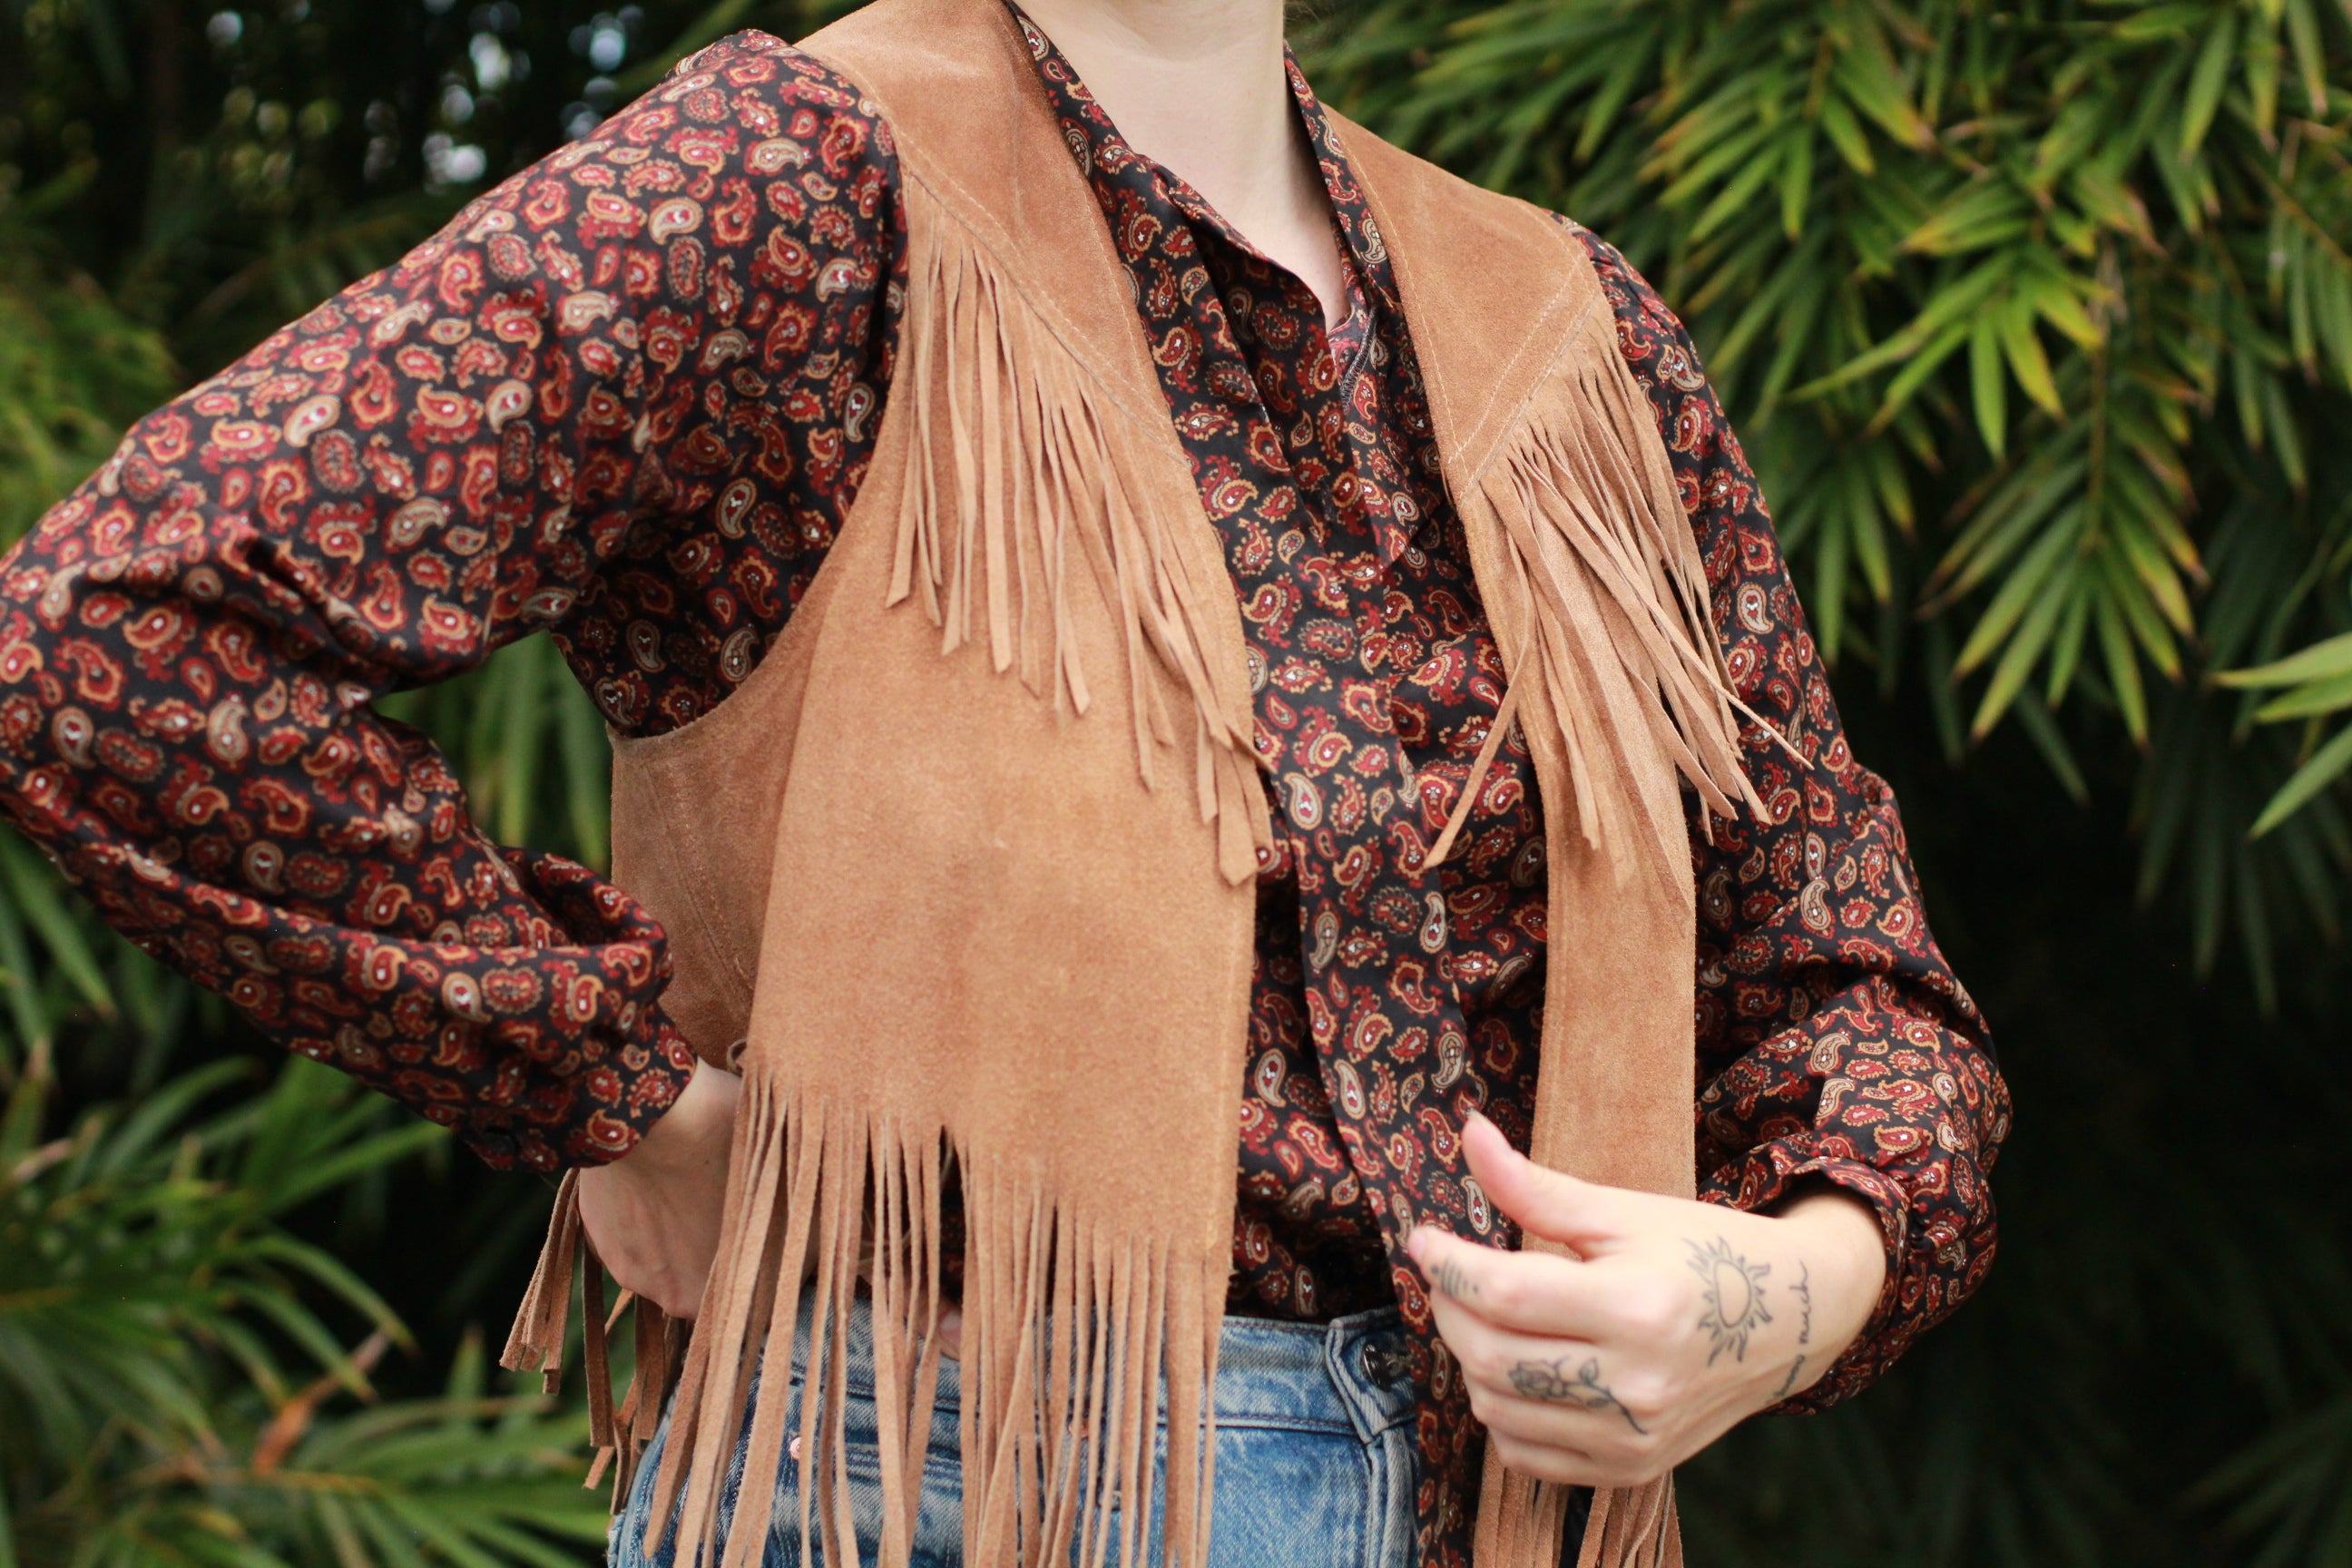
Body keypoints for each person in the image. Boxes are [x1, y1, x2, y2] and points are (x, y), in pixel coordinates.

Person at [0, 0, 2011, 1563]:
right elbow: (110, 636)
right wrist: (611, 1083)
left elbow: (1853, 981)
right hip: (933, 1481)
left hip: (1512, 1513)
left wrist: (1781, 1289)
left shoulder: (1574, 337)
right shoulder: (780, 191)